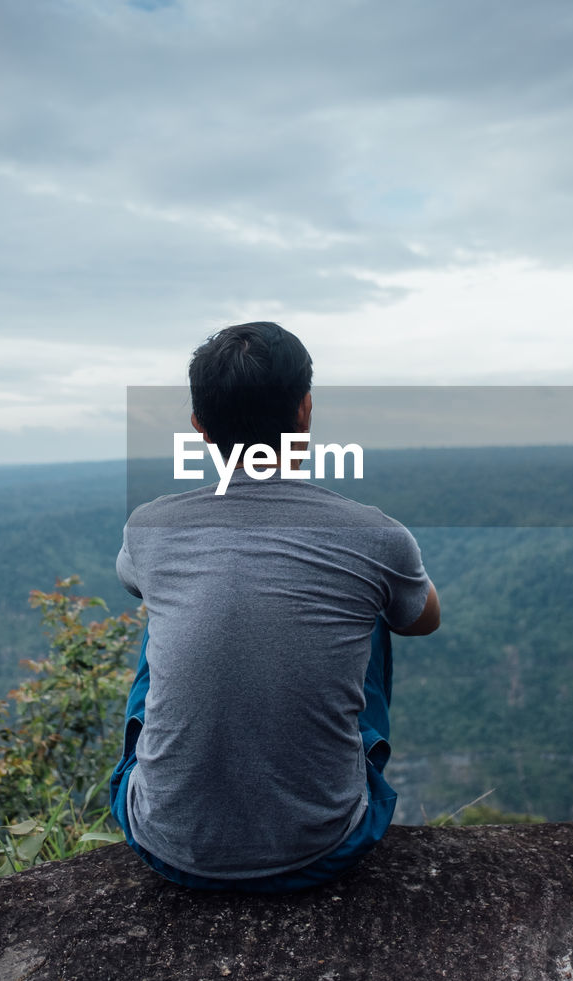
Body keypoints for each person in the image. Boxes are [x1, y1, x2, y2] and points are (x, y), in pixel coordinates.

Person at [110, 321, 440, 892]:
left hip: (164, 843)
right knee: (374, 614)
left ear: (199, 428)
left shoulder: (149, 527)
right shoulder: (376, 534)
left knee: (162, 613)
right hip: (325, 848)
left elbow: (137, 585)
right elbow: (422, 620)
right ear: (305, 410)